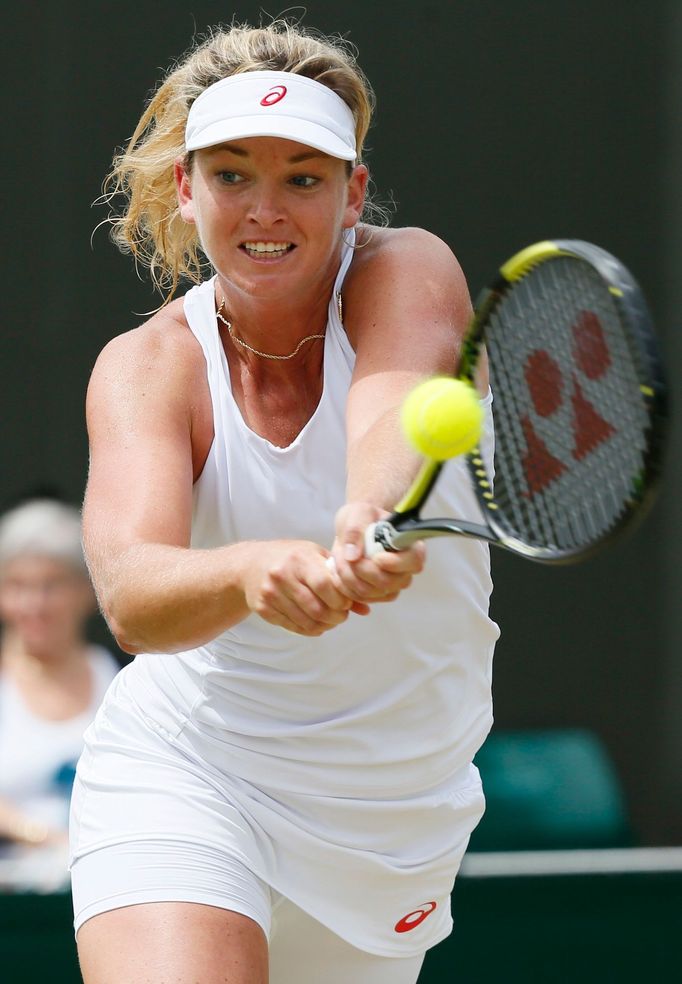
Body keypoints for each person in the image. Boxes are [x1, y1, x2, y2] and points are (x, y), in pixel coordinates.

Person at [70, 19, 499, 984]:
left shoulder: (408, 267)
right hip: (191, 770)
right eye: (232, 175)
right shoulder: (145, 369)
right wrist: (254, 567)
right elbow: (134, 594)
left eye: (303, 177)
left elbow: (390, 401)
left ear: (354, 194)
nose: (266, 209)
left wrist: (367, 512)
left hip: (391, 821)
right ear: (187, 187)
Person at [0, 498, 119, 891]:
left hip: (98, 879)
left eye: (51, 586)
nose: (33, 604)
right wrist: (46, 839)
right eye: (17, 586)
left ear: (86, 591)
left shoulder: (111, 675)